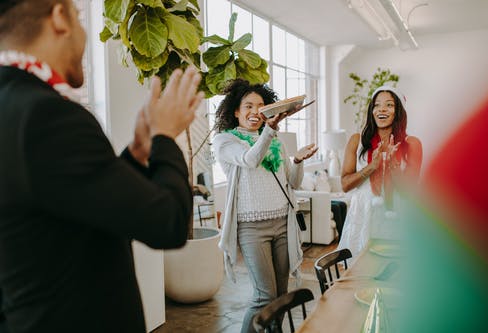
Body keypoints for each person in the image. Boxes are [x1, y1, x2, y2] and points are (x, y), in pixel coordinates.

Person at [0, 1, 204, 332]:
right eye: (80, 17)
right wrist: (166, 137)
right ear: (59, 17)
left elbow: (77, 203)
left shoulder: (12, 105)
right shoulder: (46, 115)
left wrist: (137, 155)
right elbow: (168, 222)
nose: (84, 34)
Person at [212, 79, 318, 333]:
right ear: (235, 111)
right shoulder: (225, 141)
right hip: (252, 227)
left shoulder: (276, 142)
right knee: (264, 296)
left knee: (281, 295)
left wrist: (298, 160)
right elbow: (250, 160)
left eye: (261, 106)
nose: (255, 111)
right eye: (248, 106)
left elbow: (292, 182)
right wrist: (269, 131)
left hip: (282, 223)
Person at [337, 85, 422, 258]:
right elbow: (345, 185)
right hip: (364, 215)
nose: (382, 109)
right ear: (372, 110)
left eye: (389, 105)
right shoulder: (356, 140)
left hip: (397, 215)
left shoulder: (412, 144)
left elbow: (408, 192)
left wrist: (392, 164)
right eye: (377, 105)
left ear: (398, 111)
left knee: (394, 269)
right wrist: (371, 166)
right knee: (359, 271)